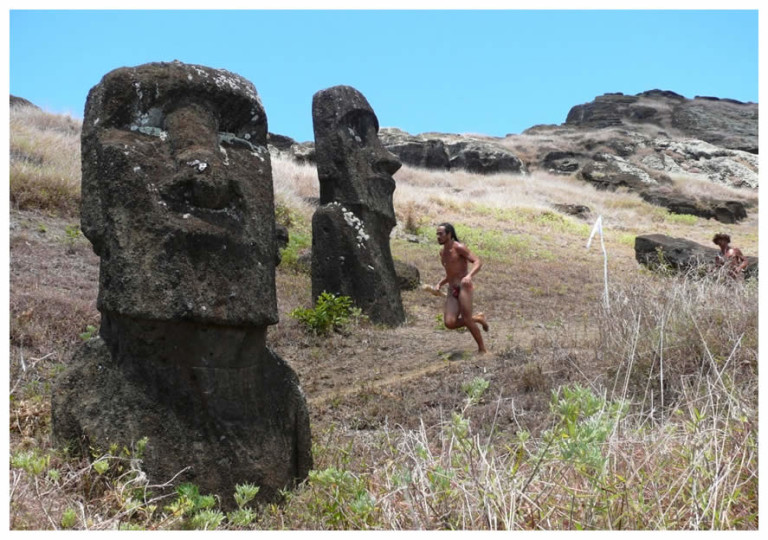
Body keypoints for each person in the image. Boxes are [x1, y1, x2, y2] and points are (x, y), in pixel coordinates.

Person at [434, 223, 488, 353]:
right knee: (449, 323)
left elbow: (477, 262)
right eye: (437, 234)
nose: (438, 237)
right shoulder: (442, 253)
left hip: (464, 287)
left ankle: (482, 349)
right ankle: (478, 318)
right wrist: (440, 283)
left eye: (441, 234)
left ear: (449, 234)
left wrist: (469, 275)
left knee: (466, 318)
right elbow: (450, 274)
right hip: (452, 289)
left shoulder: (459, 248)